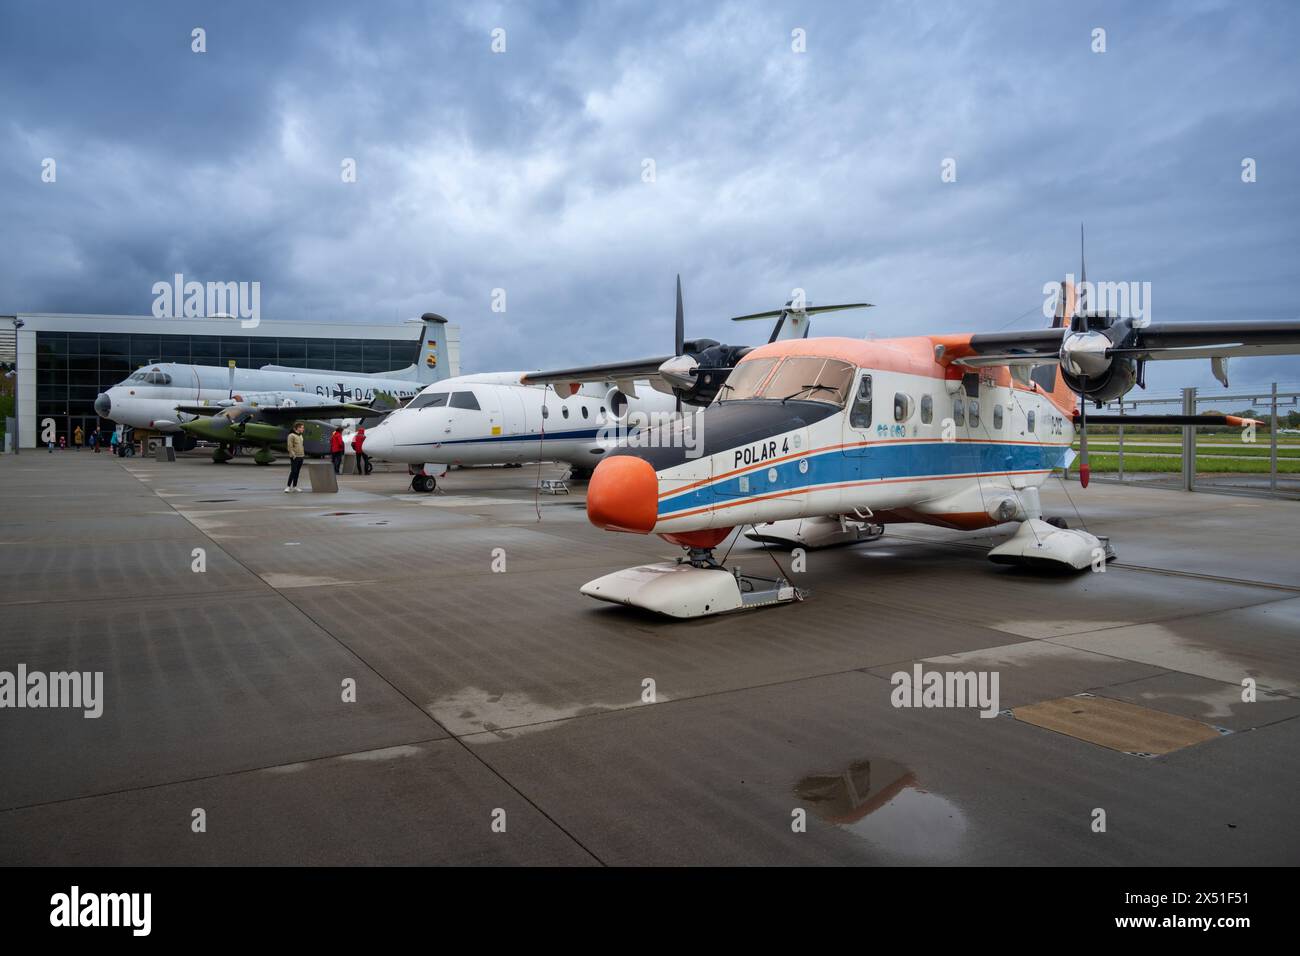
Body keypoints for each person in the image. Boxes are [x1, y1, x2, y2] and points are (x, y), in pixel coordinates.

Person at [285, 422, 306, 493]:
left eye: (303, 428)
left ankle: (295, 486)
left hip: (301, 456)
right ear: (297, 428)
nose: (303, 429)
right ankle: (288, 487)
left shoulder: (301, 436)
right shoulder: (291, 435)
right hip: (295, 457)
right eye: (302, 427)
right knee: (293, 471)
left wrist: (303, 455)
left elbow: (302, 446)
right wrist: (293, 455)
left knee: (297, 472)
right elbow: (289, 446)